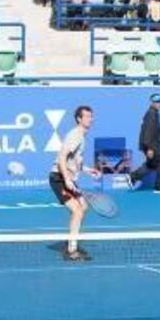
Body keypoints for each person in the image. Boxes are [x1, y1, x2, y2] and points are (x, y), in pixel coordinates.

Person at [49, 106, 101, 261]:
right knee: (77, 210)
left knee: (83, 207)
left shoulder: (82, 136)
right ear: (79, 119)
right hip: (58, 178)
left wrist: (87, 169)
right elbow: (61, 157)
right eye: (87, 116)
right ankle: (71, 250)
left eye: (91, 116)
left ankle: (71, 240)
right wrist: (66, 179)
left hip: (67, 178)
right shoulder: (75, 135)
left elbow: (74, 160)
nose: (90, 119)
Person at [127, 94, 160, 193]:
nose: (159, 104)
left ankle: (133, 176)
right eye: (156, 102)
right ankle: (158, 187)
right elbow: (148, 132)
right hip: (151, 145)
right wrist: (149, 148)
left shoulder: (154, 113)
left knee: (152, 165)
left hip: (152, 144)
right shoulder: (151, 114)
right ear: (152, 103)